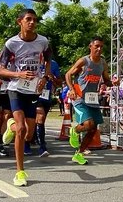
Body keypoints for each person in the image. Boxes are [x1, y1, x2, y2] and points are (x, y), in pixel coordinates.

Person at [0, 8, 52, 187]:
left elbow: (48, 61)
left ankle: (10, 126)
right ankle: (20, 172)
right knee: (22, 129)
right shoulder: (11, 43)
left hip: (33, 90)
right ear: (19, 21)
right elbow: (0, 70)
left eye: (35, 20)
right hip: (16, 89)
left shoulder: (43, 41)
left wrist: (44, 77)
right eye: (28, 19)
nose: (32, 22)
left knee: (28, 134)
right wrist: (18, 74)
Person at [66, 37, 114, 165]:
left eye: (101, 47)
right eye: (96, 46)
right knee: (88, 124)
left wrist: (113, 83)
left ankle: (79, 154)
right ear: (90, 46)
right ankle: (74, 131)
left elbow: (106, 80)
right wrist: (71, 89)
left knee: (93, 129)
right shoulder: (84, 61)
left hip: (92, 98)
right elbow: (68, 74)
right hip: (79, 97)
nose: (99, 49)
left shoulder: (103, 63)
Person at [34, 58, 61, 157]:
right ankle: (42, 147)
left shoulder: (53, 64)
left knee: (40, 120)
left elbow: (59, 82)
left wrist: (53, 78)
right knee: (38, 118)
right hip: (33, 94)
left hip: (46, 96)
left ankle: (35, 138)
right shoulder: (32, 60)